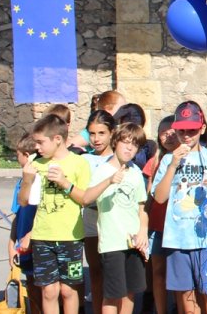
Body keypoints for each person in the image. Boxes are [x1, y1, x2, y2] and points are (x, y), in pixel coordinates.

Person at [151, 101, 207, 314]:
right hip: (177, 238)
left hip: (206, 238)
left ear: (202, 129)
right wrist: (173, 164)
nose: (186, 135)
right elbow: (159, 197)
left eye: (192, 130)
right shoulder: (168, 159)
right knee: (186, 296)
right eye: (182, 130)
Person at [22, 113, 91, 314]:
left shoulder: (79, 163)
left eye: (41, 142)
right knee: (49, 292)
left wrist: (64, 182)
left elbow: (85, 198)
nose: (37, 147)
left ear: (57, 139)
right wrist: (26, 180)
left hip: (71, 238)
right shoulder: (36, 163)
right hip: (43, 237)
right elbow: (24, 201)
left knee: (68, 290)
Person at [80, 122, 149, 314]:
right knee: (112, 294)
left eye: (134, 145)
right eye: (125, 142)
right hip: (112, 242)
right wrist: (109, 181)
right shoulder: (103, 170)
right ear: (115, 142)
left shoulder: (135, 171)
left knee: (130, 293)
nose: (129, 148)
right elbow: (86, 199)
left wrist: (143, 232)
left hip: (133, 242)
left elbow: (142, 207)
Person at [81, 109, 117, 314]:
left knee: (114, 274)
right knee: (95, 272)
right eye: (92, 133)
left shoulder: (120, 157)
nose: (96, 139)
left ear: (112, 132)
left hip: (114, 219)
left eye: (101, 133)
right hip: (91, 218)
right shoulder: (85, 160)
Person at [143, 115, 177, 314]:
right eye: (164, 133)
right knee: (158, 271)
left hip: (178, 224)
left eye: (173, 132)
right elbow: (150, 194)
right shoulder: (156, 160)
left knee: (178, 271)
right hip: (158, 222)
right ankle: (161, 309)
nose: (169, 136)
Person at [9, 132, 42, 311]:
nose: (17, 159)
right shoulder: (22, 182)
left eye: (18, 155)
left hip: (36, 240)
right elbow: (17, 214)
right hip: (22, 243)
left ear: (27, 156)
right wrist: (11, 241)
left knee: (41, 285)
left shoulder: (38, 181)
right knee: (30, 281)